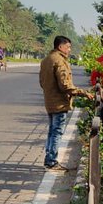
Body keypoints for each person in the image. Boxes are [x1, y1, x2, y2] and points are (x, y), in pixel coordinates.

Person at [38, 35, 89, 171]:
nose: (69, 50)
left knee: (52, 131)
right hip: (59, 103)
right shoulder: (60, 61)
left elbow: (42, 83)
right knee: (57, 131)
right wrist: (83, 93)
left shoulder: (46, 60)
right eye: (68, 47)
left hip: (49, 101)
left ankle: (49, 159)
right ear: (60, 47)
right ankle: (51, 161)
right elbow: (65, 85)